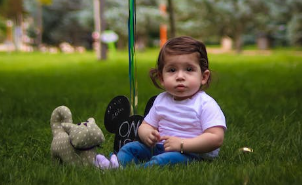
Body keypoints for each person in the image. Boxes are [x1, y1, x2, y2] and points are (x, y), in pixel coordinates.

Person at [94, 36, 226, 169]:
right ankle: (117, 163)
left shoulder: (205, 104)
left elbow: (216, 138)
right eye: (172, 70)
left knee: (165, 159)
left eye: (189, 69)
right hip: (159, 146)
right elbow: (145, 125)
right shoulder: (162, 100)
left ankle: (135, 171)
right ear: (161, 78)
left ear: (203, 77)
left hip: (192, 153)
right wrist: (147, 134)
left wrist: (181, 144)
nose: (180, 76)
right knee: (130, 148)